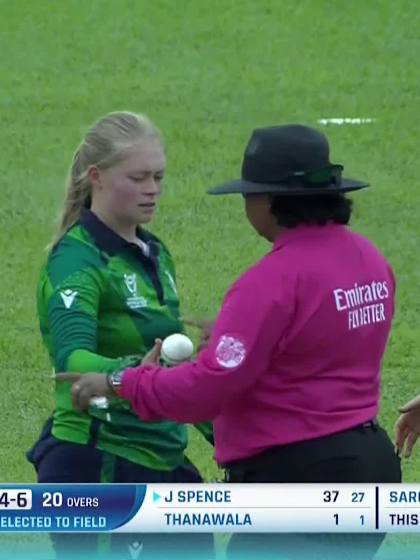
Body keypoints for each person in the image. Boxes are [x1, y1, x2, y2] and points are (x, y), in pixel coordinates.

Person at [58, 124, 401, 559]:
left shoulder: (271, 282)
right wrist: (235, 336)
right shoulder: (369, 260)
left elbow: (206, 390)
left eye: (248, 196)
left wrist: (119, 382)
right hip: (370, 469)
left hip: (298, 484)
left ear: (270, 202)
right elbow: (317, 345)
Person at [28, 111, 214, 560]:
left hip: (162, 458)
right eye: (138, 177)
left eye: (159, 177)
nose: (153, 188)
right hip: (99, 462)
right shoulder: (76, 262)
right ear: (97, 177)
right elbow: (73, 361)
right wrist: (132, 374)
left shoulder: (155, 253)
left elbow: (171, 363)